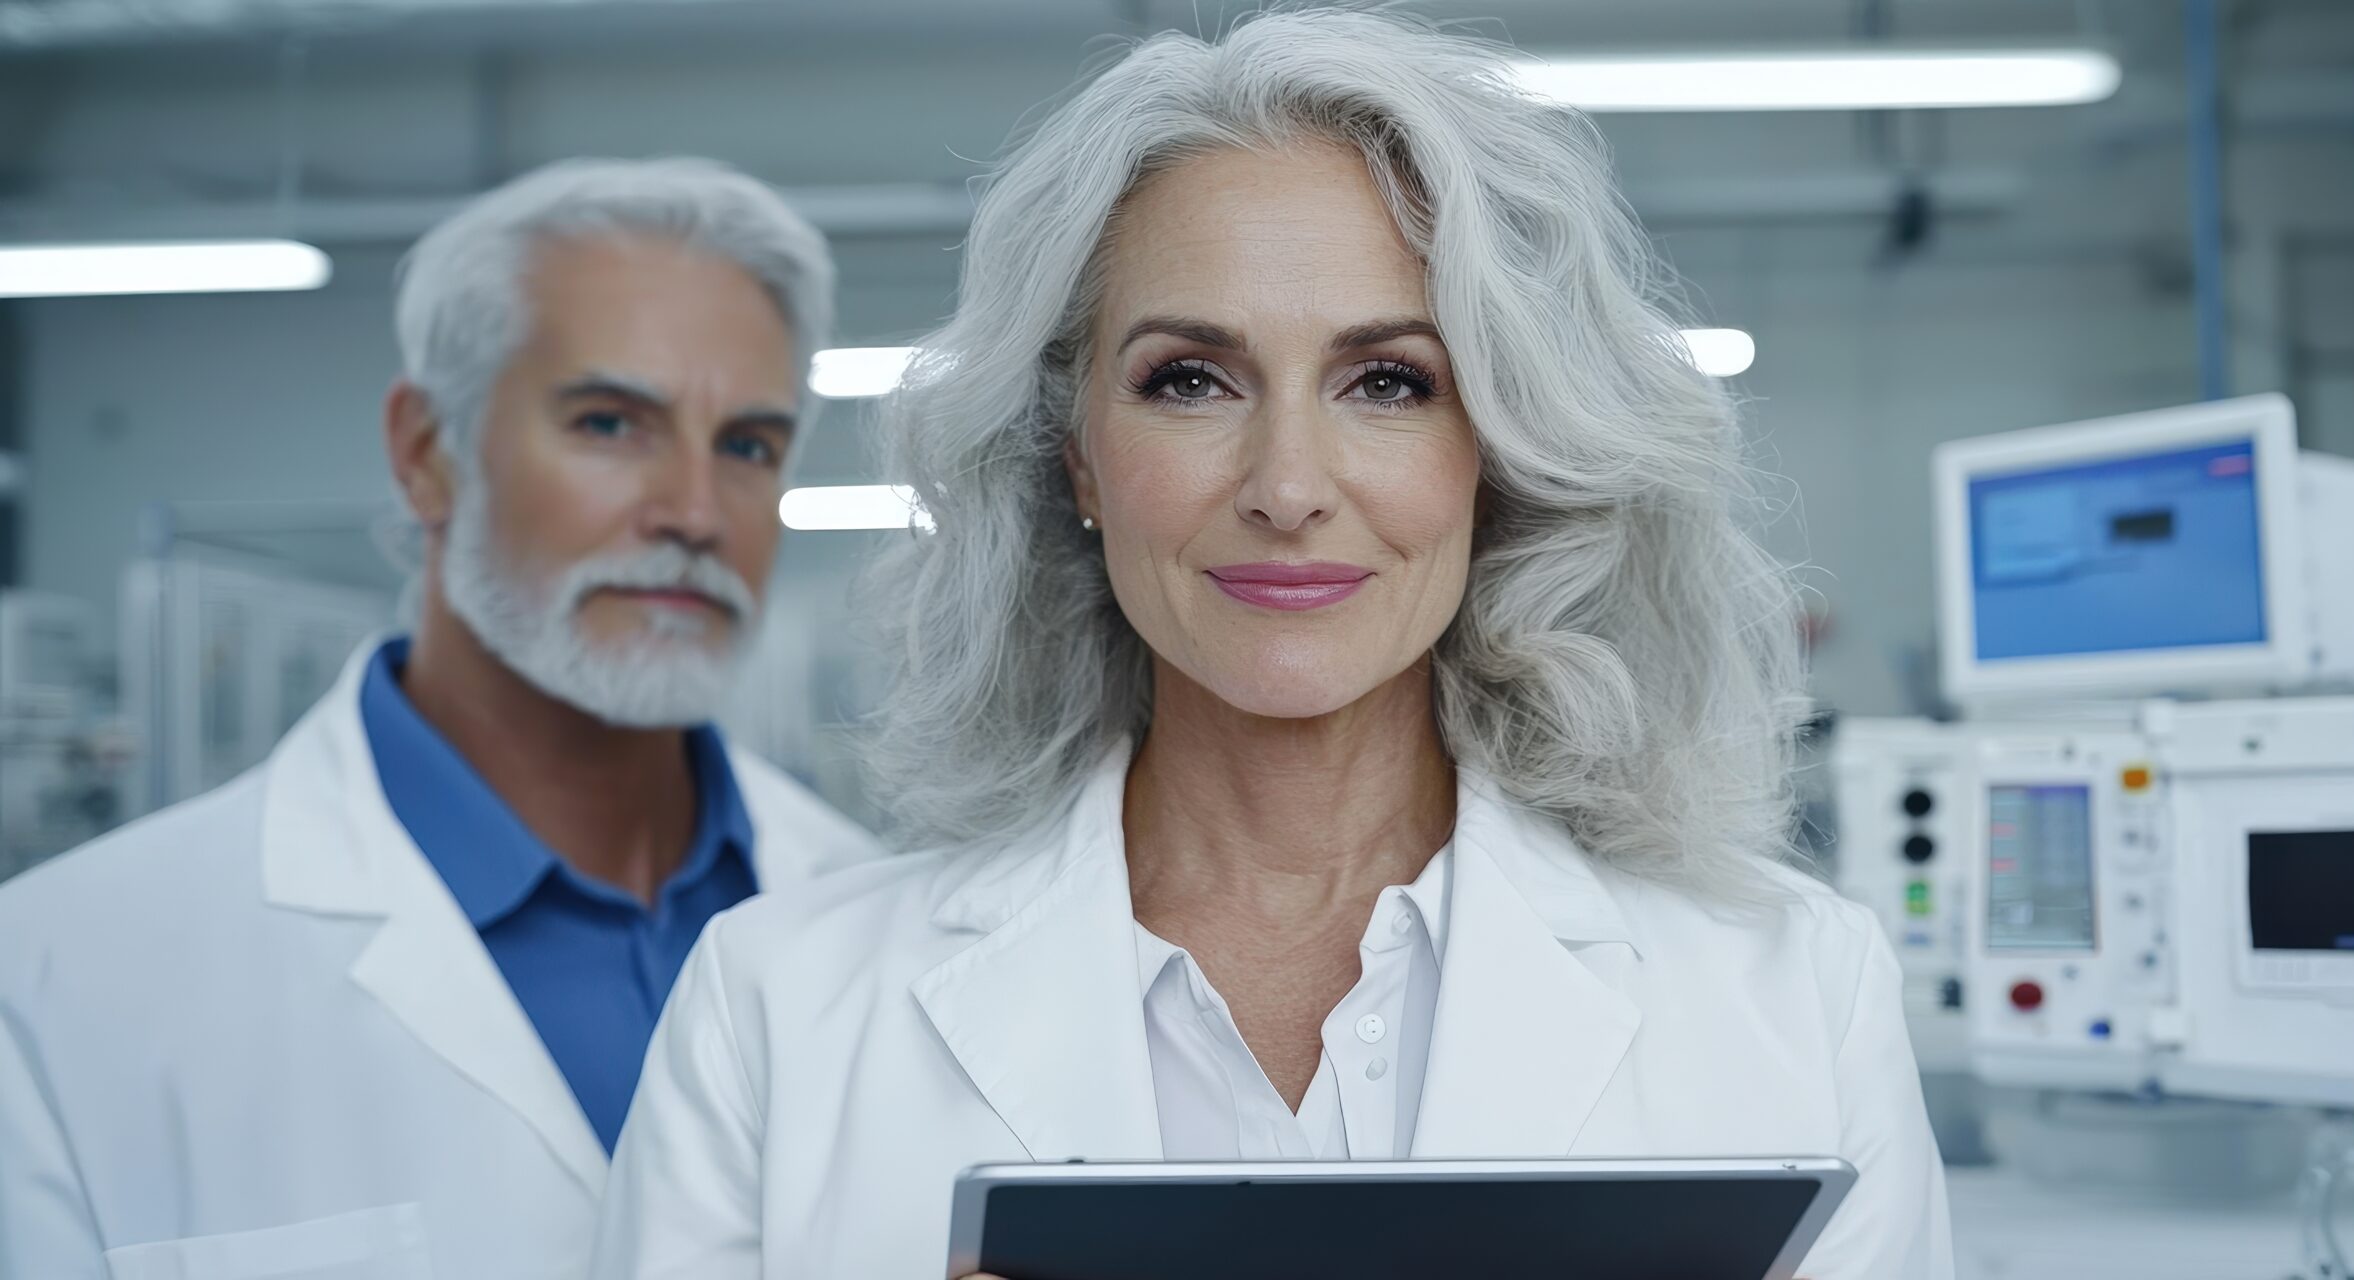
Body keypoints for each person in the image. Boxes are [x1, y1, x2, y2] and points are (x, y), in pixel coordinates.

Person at [594, 12, 1953, 1280]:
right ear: (1080, 455)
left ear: (1499, 450)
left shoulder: (1789, 993)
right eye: (1190, 380)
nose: (1289, 483)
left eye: (1390, 383)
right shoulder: (776, 1007)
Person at [0, 158, 885, 1280]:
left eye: (749, 445)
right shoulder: (58, 980)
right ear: (427, 453)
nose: (697, 513)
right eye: (611, 422)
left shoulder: (868, 912)